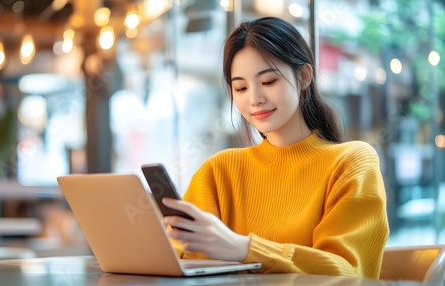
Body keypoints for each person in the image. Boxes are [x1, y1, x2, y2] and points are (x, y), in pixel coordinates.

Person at [161, 16, 389, 279]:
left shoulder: (351, 161)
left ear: (304, 76)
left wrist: (244, 248)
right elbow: (181, 259)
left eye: (268, 82)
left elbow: (347, 271)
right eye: (241, 87)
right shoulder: (218, 170)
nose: (255, 99)